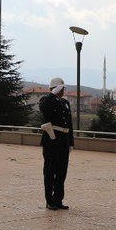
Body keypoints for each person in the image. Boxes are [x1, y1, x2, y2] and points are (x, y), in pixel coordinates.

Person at [39, 77, 74, 210]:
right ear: (54, 89)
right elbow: (44, 108)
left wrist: (71, 142)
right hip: (52, 140)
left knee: (61, 171)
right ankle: (49, 201)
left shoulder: (65, 103)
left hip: (64, 140)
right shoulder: (47, 100)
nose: (63, 91)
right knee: (50, 171)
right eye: (60, 89)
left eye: (63, 89)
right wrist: (52, 94)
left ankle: (58, 199)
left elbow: (69, 124)